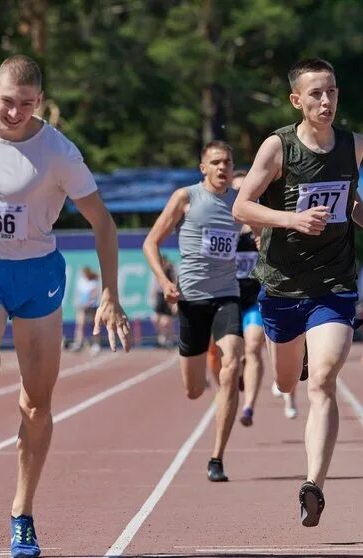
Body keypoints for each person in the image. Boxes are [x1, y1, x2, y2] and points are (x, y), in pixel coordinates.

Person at [0, 55, 130, 558]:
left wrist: (110, 292)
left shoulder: (59, 153)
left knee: (37, 404)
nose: (15, 113)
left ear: (40, 103)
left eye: (27, 104)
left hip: (39, 276)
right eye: (8, 101)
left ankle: (22, 514)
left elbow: (102, 222)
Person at [232, 58, 363, 527]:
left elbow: (349, 199)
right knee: (288, 381)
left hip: (334, 283)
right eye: (315, 94)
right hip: (283, 286)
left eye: (331, 91)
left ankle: (313, 484)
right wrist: (291, 219)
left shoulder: (354, 145)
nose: (326, 101)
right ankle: (291, 363)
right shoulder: (278, 148)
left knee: (324, 379)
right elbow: (241, 206)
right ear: (297, 100)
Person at [143, 140, 244, 482]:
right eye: (215, 162)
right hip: (191, 300)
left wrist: (262, 238)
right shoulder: (186, 198)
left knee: (232, 362)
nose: (222, 168)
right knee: (194, 390)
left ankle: (217, 457)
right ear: (203, 167)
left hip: (227, 294)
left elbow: (261, 231)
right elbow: (150, 242)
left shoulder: (240, 203)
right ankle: (207, 380)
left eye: (227, 162)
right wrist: (164, 282)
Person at [206, 170, 277, 426]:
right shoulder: (218, 223)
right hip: (225, 298)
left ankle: (248, 407)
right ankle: (223, 391)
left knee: (253, 346)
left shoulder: (264, 225)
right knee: (216, 355)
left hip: (255, 298)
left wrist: (265, 243)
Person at [148, 255, 178, 347]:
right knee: (155, 319)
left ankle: (170, 338)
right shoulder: (157, 271)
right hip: (160, 295)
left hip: (169, 295)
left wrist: (175, 301)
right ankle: (162, 337)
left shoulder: (171, 271)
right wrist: (152, 297)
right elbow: (153, 285)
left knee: (166, 322)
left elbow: (176, 283)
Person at [70, 266, 101, 353]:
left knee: (94, 326)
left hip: (92, 306)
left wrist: (89, 300)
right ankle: (78, 343)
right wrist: (79, 303)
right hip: (82, 306)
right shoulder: (80, 282)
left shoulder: (94, 282)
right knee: (80, 325)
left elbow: (95, 293)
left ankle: (96, 344)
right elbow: (78, 294)